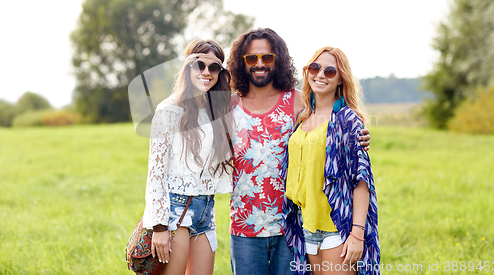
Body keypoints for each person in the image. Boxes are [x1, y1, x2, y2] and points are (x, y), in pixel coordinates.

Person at [227, 28, 372, 275]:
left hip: (291, 227)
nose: (259, 64)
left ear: (278, 60)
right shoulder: (230, 105)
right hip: (246, 228)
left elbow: (338, 133)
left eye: (267, 57)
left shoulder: (296, 102)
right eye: (251, 58)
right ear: (241, 63)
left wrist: (361, 135)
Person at [280, 47, 380, 275]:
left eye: (330, 71)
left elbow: (361, 180)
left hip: (338, 228)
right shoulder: (302, 119)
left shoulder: (347, 120)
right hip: (306, 227)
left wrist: (357, 234)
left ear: (340, 79)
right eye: (314, 68)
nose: (320, 75)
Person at [143, 39, 233, 275]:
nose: (206, 72)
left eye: (213, 67)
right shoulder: (168, 109)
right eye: (199, 65)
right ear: (187, 67)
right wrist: (160, 227)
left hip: (206, 211)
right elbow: (155, 172)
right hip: (175, 211)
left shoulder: (217, 110)